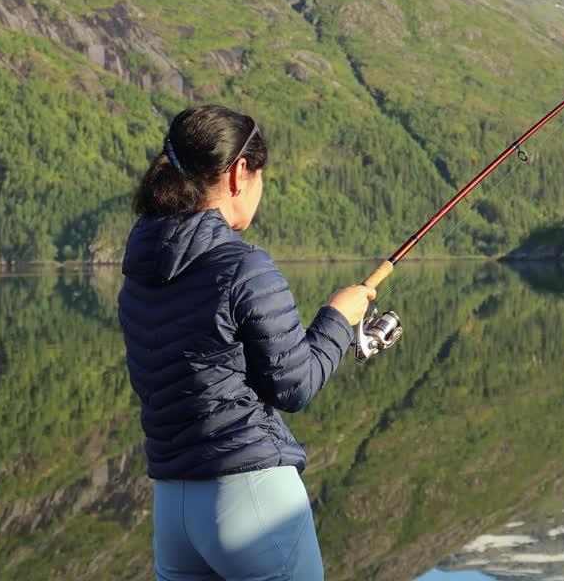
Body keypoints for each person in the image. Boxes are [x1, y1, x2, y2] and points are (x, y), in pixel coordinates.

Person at [118, 105, 374, 580]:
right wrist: (339, 317)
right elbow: (294, 386)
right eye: (261, 176)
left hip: (172, 507)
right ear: (239, 173)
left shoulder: (139, 273)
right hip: (252, 503)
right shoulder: (243, 265)